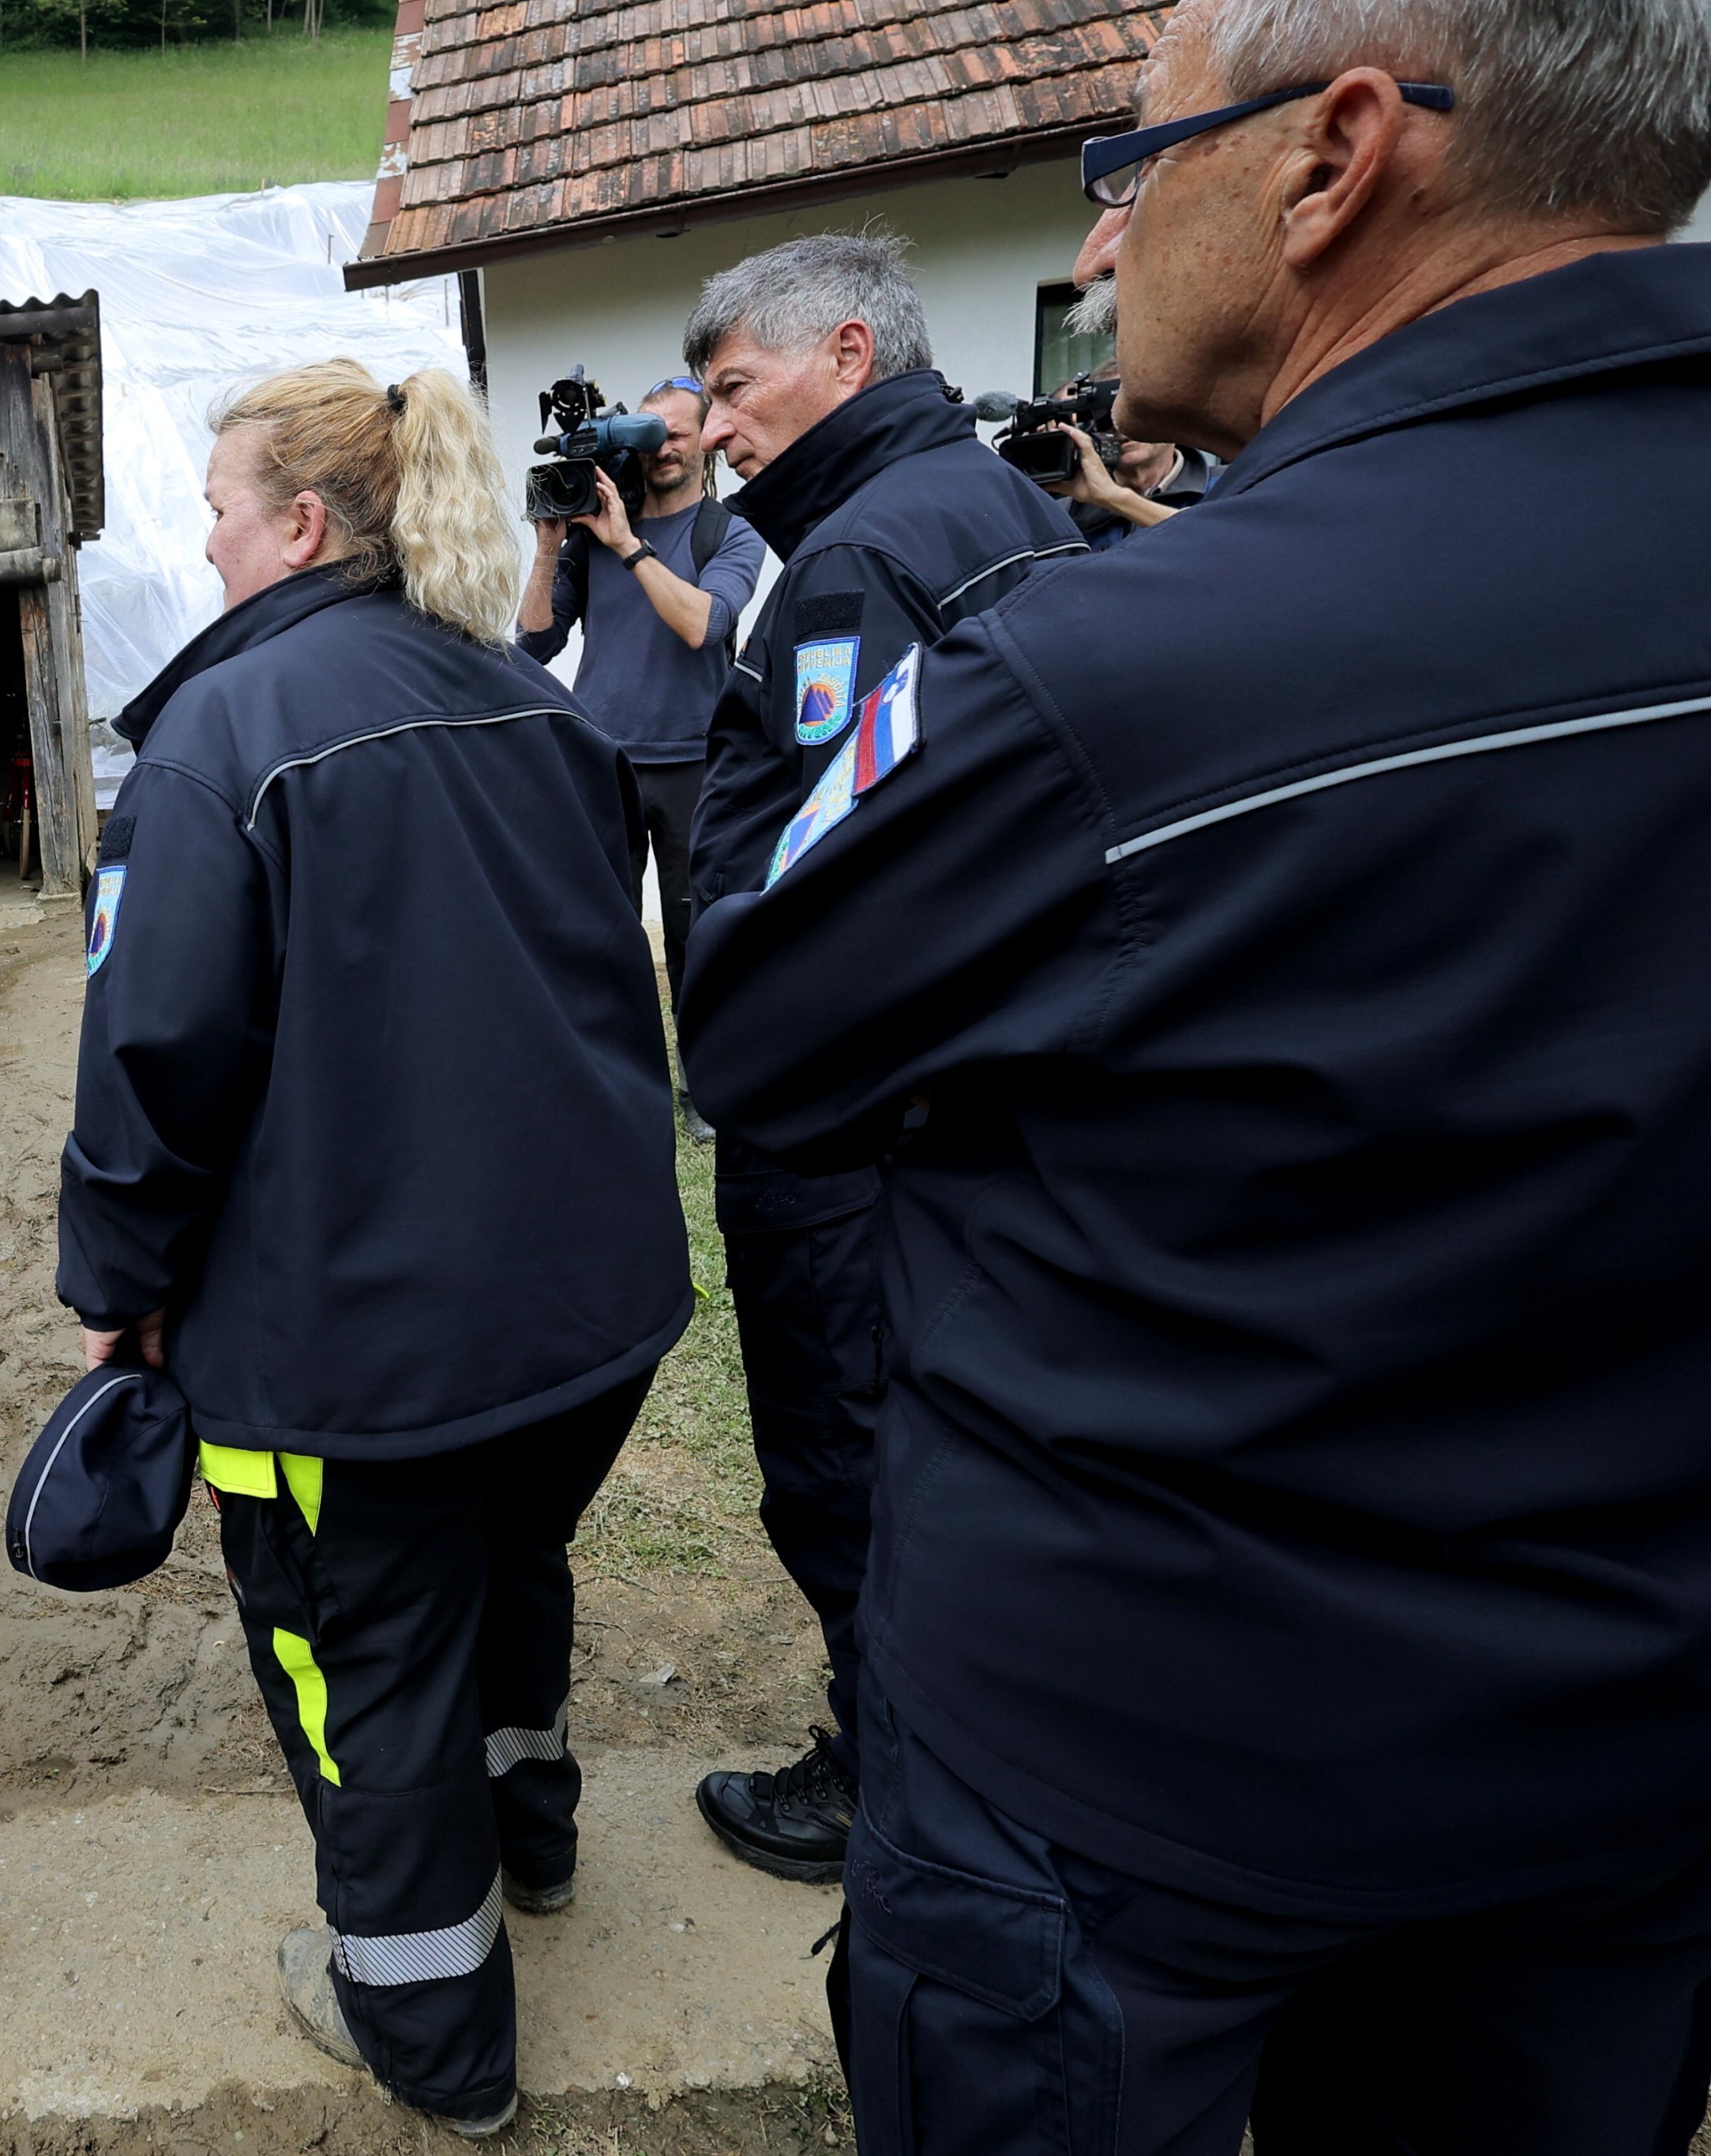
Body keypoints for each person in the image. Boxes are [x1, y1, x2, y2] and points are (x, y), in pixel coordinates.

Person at [681, 0, 1711, 2141]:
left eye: (1129, 167)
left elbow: (766, 1008)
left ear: (1334, 159)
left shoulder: (1104, 669)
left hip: (1136, 1779)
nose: (1090, 254)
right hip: (1624, 1763)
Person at [58, 360, 694, 2138]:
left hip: (361, 1351)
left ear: (304, 524)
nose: (198, 539)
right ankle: (534, 1848)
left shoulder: (219, 739)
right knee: (504, 1575)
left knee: (369, 1663)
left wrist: (114, 1290)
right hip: (582, 1313)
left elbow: (150, 1065)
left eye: (214, 506)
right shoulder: (524, 699)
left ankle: (427, 2032)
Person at [675, 230, 1085, 1888]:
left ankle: (891, 1792)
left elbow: (831, 892)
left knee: (849, 1469)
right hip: (982, 1123)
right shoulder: (1001, 509)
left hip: (856, 1143)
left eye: (731, 386)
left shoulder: (859, 559)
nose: (709, 430)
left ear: (846, 355)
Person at [515, 376, 768, 1137]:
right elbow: (533, 642)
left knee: (697, 937)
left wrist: (628, 545)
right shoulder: (592, 539)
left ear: (702, 443)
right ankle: (619, 1082)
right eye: (648, 432)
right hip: (606, 761)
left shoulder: (728, 532)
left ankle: (704, 1089)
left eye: (676, 434)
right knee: (607, 931)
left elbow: (704, 624)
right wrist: (552, 545)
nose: (661, 447)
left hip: (699, 762)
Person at [1044, 365, 1222, 547]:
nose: (1122, 426)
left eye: (1138, 411)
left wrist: (1114, 498)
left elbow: (1225, 544)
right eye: (1106, 414)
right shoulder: (1064, 514)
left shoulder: (1228, 485)